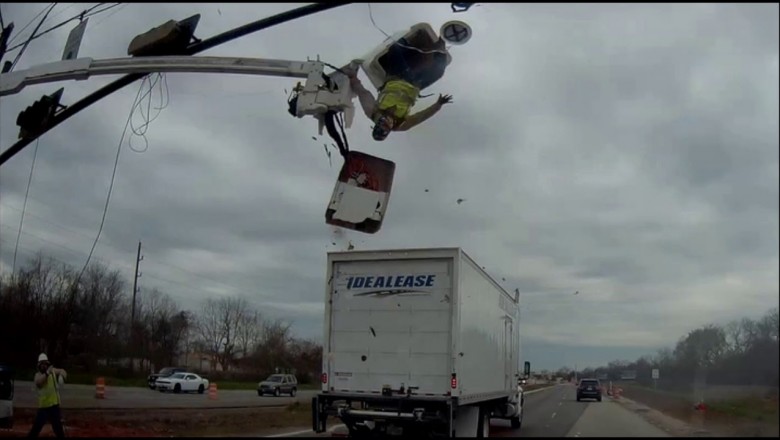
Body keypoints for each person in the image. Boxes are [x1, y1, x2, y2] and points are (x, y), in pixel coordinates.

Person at [344, 37, 454, 141]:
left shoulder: (372, 112)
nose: (386, 119)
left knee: (395, 48)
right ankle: (442, 41)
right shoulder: (402, 125)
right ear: (389, 129)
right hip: (416, 84)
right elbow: (421, 117)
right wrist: (438, 105)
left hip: (397, 76)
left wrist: (353, 79)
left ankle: (413, 45)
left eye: (382, 120)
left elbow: (364, 94)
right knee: (438, 71)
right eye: (387, 124)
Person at [28, 353, 67, 438]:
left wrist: (61, 376)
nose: (44, 366)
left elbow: (62, 371)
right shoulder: (37, 375)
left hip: (54, 406)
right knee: (36, 429)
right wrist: (47, 373)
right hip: (43, 408)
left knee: (58, 429)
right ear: (39, 365)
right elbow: (39, 382)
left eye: (45, 364)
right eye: (42, 364)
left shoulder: (52, 372)